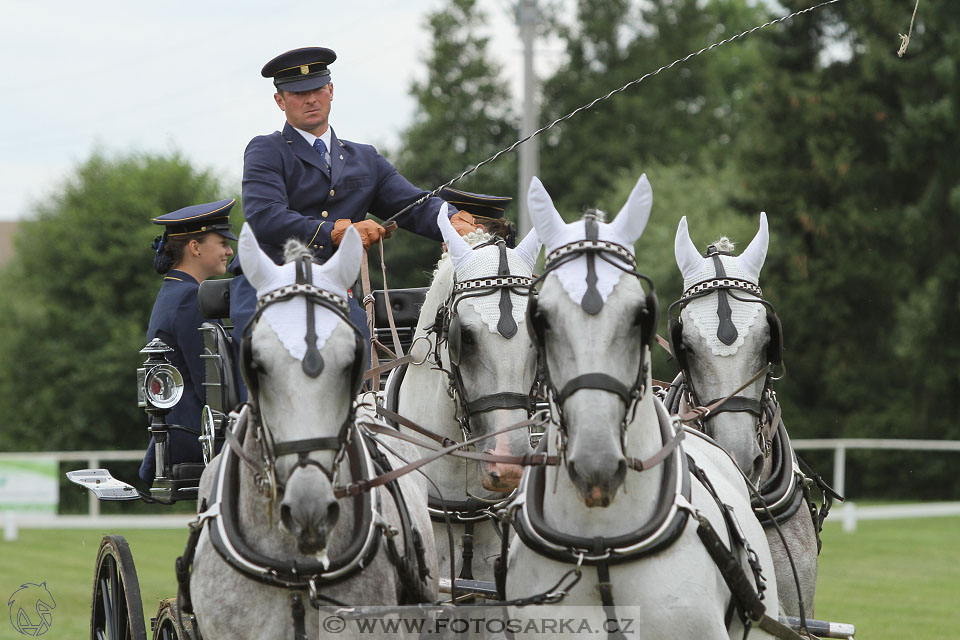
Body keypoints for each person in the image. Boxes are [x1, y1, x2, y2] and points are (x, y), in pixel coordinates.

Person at [228, 46, 481, 397]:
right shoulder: (266, 150)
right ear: (280, 101)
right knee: (263, 379)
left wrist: (451, 221)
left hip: (333, 288)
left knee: (362, 378)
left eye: (317, 89)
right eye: (299, 93)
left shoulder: (365, 158)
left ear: (330, 91)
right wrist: (334, 232)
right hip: (271, 284)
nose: (311, 99)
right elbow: (265, 215)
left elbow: (412, 203)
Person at [139, 199, 236, 482]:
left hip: (187, 430)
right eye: (222, 243)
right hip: (198, 437)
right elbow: (213, 387)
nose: (229, 251)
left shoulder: (177, 291)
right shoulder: (189, 299)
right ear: (195, 247)